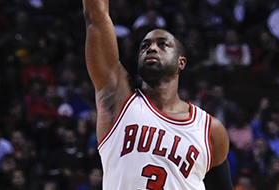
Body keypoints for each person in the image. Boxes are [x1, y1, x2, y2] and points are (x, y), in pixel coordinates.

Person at [81, 0, 234, 189]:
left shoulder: (210, 130)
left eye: (162, 45)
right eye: (144, 46)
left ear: (181, 62)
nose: (151, 49)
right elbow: (96, 17)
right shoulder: (118, 101)